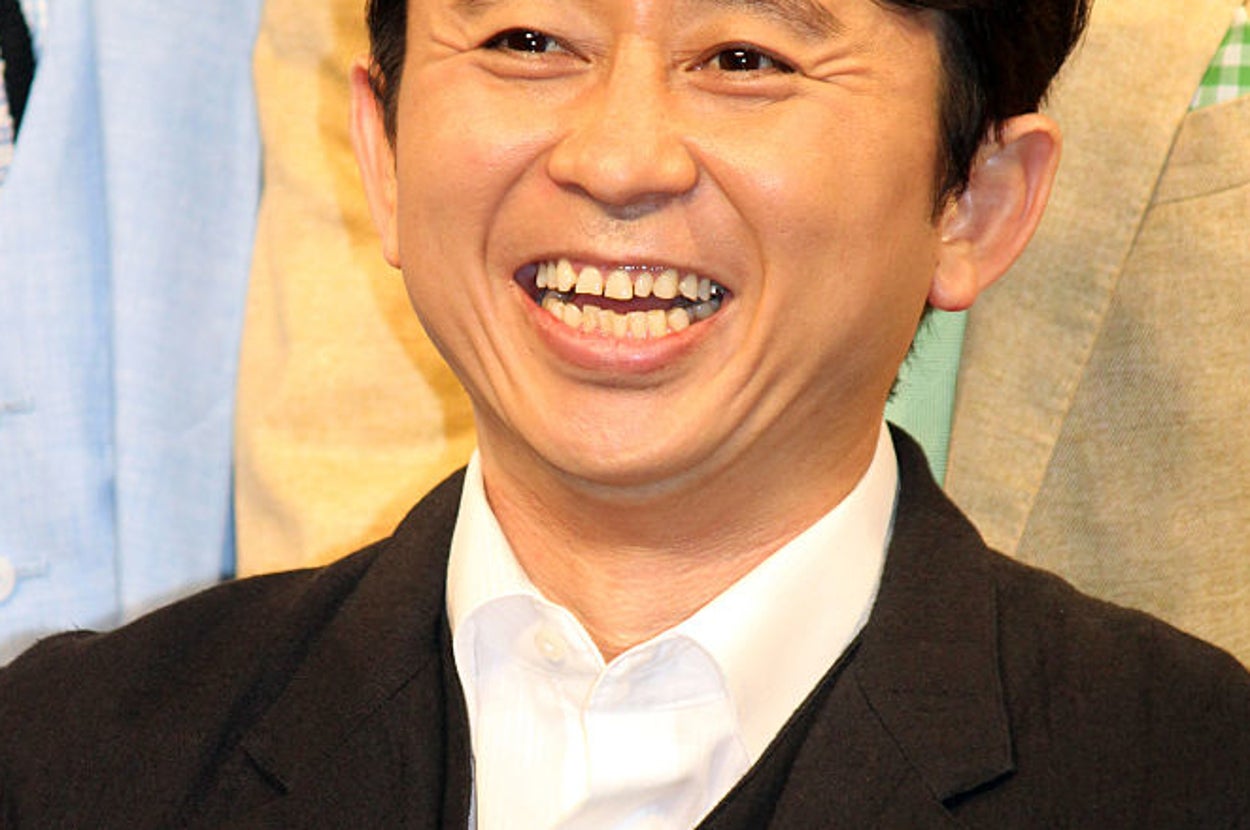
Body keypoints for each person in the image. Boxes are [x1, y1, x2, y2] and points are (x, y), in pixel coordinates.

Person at [2, 1, 1248, 828]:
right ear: (381, 152)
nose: (615, 157)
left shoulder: (1186, 773)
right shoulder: (66, 759)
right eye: (528, 40)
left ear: (973, 199)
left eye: (744, 59)